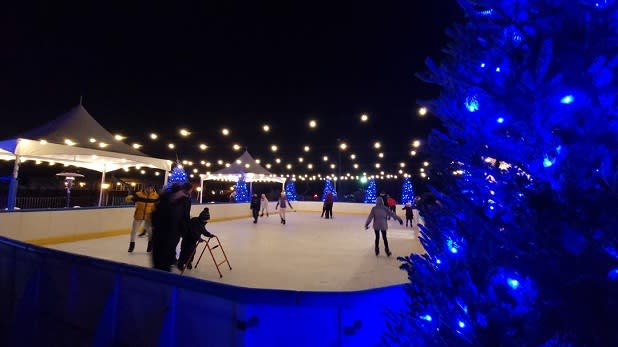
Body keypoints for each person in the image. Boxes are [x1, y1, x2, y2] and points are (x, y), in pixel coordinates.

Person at [151, 183, 193, 272]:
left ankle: (170, 261)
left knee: (165, 257)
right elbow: (183, 217)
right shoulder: (173, 202)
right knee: (162, 259)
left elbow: (183, 218)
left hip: (167, 236)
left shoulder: (178, 201)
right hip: (165, 236)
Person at [126, 185, 159, 253]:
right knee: (134, 231)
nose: (149, 189)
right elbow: (128, 199)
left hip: (149, 216)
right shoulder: (138, 194)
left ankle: (150, 245)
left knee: (150, 232)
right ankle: (132, 245)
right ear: (145, 188)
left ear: (153, 188)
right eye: (147, 187)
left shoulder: (156, 196)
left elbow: (159, 205)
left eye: (151, 188)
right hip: (139, 215)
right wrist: (130, 198)